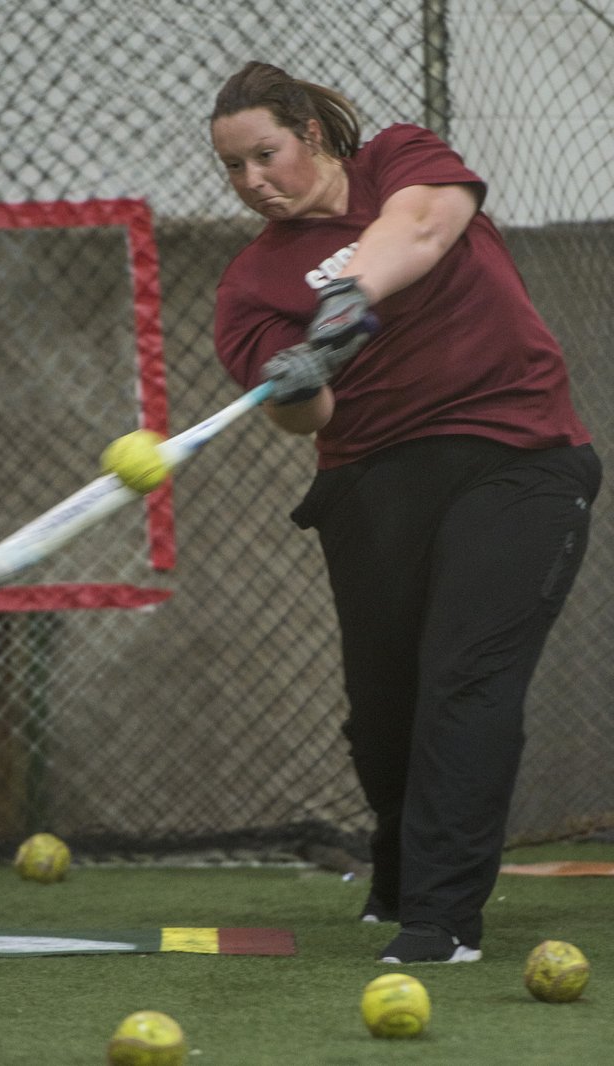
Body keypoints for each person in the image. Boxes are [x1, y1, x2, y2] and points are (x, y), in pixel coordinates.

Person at [209, 60, 602, 964]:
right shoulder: (249, 286)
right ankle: (397, 870)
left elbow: (421, 227)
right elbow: (303, 419)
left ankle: (442, 920)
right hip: (372, 484)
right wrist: (296, 378)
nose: (253, 182)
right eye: (233, 168)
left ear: (311, 133)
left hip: (520, 461)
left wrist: (349, 297)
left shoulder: (400, 159)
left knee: (468, 678)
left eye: (266, 154)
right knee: (386, 712)